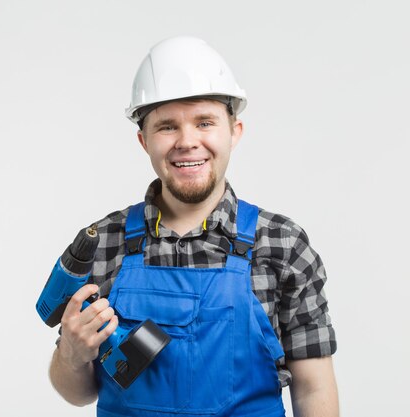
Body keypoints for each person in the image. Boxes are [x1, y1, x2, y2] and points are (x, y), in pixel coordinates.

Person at [48, 36, 339, 417]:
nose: (187, 142)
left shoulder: (282, 244)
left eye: (205, 122)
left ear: (234, 131)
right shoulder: (103, 241)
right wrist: (71, 355)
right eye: (167, 126)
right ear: (144, 140)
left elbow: (314, 388)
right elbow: (78, 392)